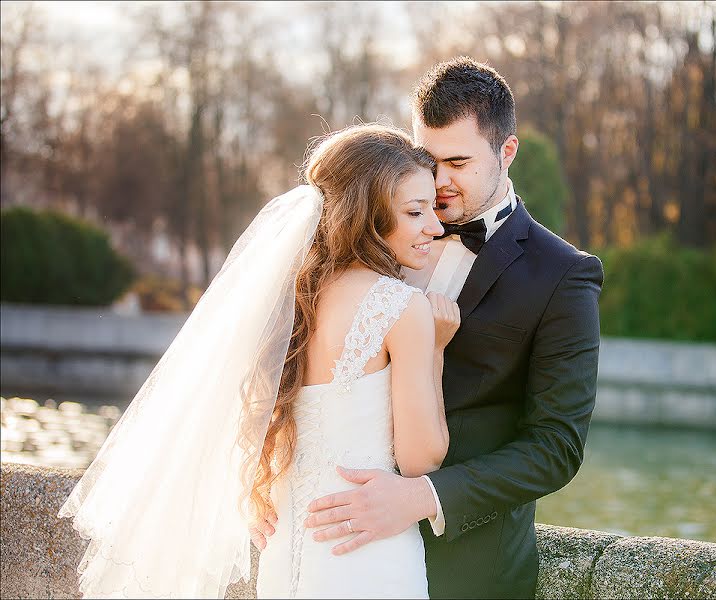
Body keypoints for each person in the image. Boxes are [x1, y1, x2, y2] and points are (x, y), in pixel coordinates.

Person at [58, 124, 460, 598]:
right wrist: (434, 349)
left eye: (432, 209)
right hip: (367, 551)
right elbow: (421, 458)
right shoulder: (402, 308)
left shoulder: (285, 302)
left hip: (286, 551)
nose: (435, 227)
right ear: (367, 216)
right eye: (415, 212)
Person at [268, 57, 605, 598]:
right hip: (331, 547)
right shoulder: (372, 242)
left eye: (458, 162)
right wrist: (263, 482)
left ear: (507, 151)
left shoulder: (563, 274)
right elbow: (288, 377)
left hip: (469, 567)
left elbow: (556, 445)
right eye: (430, 160)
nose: (440, 182)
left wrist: (423, 497)